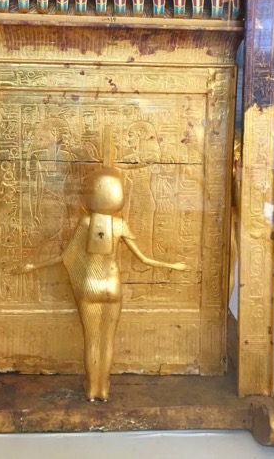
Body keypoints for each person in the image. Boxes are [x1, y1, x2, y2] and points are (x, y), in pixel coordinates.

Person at [15, 166, 189, 402]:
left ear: (90, 195)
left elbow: (65, 257)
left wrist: (33, 266)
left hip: (89, 285)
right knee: (107, 341)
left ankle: (91, 389)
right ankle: (104, 388)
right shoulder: (119, 225)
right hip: (112, 286)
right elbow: (144, 259)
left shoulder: (87, 222)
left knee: (92, 340)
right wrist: (173, 265)